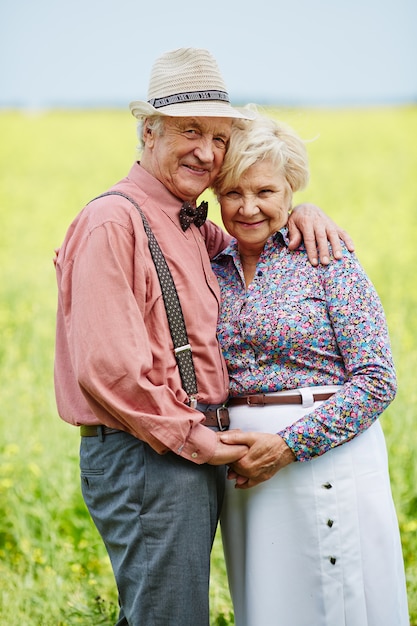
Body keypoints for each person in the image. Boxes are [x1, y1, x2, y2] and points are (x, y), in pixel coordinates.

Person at [54, 48, 353, 626]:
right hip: (147, 452)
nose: (208, 152)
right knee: (169, 617)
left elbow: (255, 227)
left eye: (219, 138)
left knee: (168, 611)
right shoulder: (113, 220)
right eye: (190, 131)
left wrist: (304, 212)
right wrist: (197, 440)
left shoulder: (194, 224)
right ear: (149, 132)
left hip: (184, 451)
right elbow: (108, 368)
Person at [211, 111, 409, 626]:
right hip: (247, 478)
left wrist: (290, 445)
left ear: (291, 188)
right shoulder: (207, 264)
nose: (248, 207)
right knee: (269, 606)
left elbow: (376, 380)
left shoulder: (328, 257)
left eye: (265, 191)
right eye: (232, 192)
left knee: (338, 604)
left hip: (325, 460)